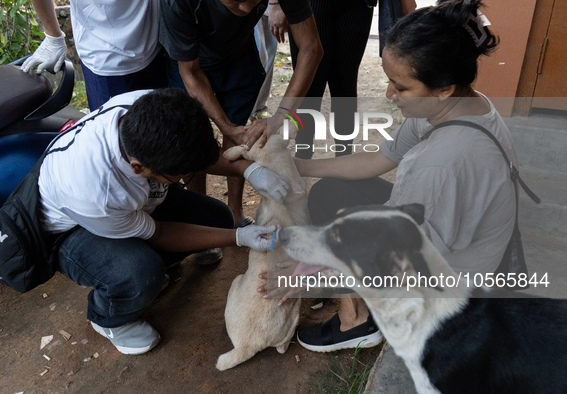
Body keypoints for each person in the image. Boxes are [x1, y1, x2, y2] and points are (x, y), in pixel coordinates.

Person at [265, 0, 511, 352]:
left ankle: (356, 323)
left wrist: (309, 273)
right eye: (389, 81)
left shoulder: (446, 163)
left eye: (400, 86)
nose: (388, 94)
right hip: (438, 232)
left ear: (443, 88)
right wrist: (300, 166)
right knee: (331, 193)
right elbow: (380, 157)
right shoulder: (454, 103)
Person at [38, 88, 290, 355]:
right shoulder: (99, 194)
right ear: (139, 168)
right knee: (140, 273)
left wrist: (247, 169)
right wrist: (239, 238)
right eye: (180, 174)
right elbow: (159, 232)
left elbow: (195, 151)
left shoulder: (148, 107)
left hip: (128, 205)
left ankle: (155, 265)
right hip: (72, 230)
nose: (187, 175)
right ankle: (108, 317)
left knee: (217, 218)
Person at [159, 0, 323, 228]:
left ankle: (235, 211)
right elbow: (190, 72)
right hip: (189, 61)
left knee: (240, 133)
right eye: (236, 0)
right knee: (191, 137)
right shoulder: (178, 3)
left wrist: (280, 116)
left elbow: (311, 47)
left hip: (238, 54)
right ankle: (201, 217)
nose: (247, 8)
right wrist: (224, 126)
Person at [289, 0, 416, 159]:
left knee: (345, 85)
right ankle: (302, 156)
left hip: (357, 6)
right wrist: (275, 5)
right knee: (310, 86)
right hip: (311, 5)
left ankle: (343, 160)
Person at [22, 0, 167, 111]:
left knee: (162, 127)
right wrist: (53, 36)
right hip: (107, 59)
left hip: (156, 45)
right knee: (120, 138)